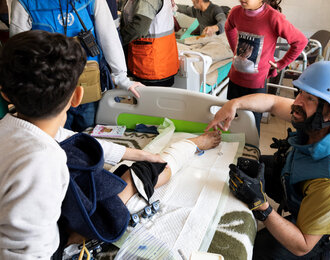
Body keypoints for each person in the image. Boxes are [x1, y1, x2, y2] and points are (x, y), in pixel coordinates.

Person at [0, 30, 221, 258]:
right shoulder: (43, 162)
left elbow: (70, 138)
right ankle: (191, 144)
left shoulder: (13, 129)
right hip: (55, 241)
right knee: (149, 172)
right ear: (78, 96)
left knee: (121, 159)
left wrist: (137, 153)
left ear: (5, 94)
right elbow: (29, 252)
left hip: (45, 219)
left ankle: (182, 147)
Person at [206, 61, 330, 259]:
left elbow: (302, 245)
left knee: (257, 249)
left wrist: (261, 206)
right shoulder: (316, 121)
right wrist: (234, 103)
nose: (297, 102)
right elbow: (272, 103)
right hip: (301, 183)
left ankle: (327, 254)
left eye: (309, 98)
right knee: (247, 170)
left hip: (318, 233)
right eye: (299, 92)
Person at [9, 0, 144, 132]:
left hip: (86, 84)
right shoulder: (24, 3)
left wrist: (121, 77)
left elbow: (109, 38)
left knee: (88, 136)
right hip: (49, 89)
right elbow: (19, 52)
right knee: (56, 140)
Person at [225, 0, 308, 134]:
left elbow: (300, 41)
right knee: (231, 122)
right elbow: (228, 28)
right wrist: (235, 49)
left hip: (255, 84)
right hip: (235, 79)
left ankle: (250, 154)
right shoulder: (235, 12)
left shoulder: (273, 17)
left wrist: (281, 63)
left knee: (251, 126)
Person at [120, 0, 179, 87]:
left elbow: (138, 29)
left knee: (148, 99)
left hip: (150, 64)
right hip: (159, 61)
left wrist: (116, 42)